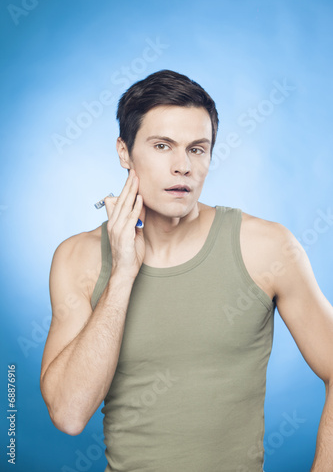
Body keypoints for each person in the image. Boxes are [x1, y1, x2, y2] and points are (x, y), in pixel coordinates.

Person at [40, 69, 333, 472]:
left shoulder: (267, 247)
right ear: (124, 152)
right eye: (163, 146)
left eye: (197, 149)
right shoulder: (78, 258)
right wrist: (124, 272)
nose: (183, 166)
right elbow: (69, 415)